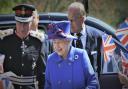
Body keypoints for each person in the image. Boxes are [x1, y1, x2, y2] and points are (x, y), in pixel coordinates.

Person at [0, 4, 45, 89]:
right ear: (15, 22)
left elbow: (42, 73)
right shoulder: (4, 41)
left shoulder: (38, 42)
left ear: (31, 22)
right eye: (20, 23)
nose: (22, 28)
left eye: (26, 24)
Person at [44, 21, 99, 89]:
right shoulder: (50, 59)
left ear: (69, 41)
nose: (56, 46)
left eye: (60, 42)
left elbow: (93, 82)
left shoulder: (81, 55)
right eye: (54, 42)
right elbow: (48, 86)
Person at [67, 2, 102, 76]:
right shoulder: (65, 38)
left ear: (82, 19)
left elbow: (99, 68)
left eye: (72, 20)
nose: (69, 23)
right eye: (68, 20)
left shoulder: (96, 37)